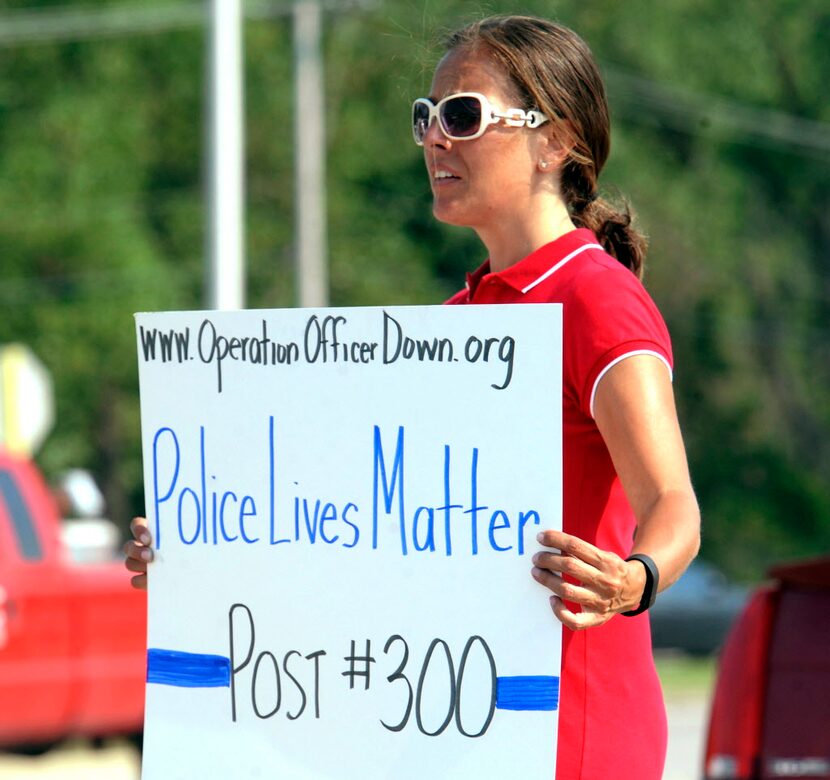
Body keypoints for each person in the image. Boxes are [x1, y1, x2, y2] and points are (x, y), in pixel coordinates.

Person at [126, 13, 700, 779]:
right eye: (426, 117)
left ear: (555, 141)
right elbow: (347, 535)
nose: (435, 138)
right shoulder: (452, 325)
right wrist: (198, 555)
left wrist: (635, 581)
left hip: (574, 730)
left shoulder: (597, 298)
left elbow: (674, 505)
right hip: (455, 738)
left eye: (462, 115)